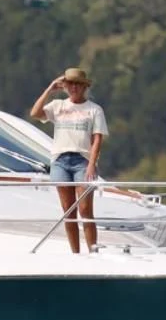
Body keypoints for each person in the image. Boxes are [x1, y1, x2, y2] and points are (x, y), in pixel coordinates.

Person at [29, 67, 109, 253]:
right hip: (60, 160)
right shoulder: (58, 106)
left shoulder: (94, 110)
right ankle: (75, 253)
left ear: (84, 87)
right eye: (70, 84)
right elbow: (35, 113)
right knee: (68, 211)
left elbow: (97, 139)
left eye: (77, 84)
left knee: (85, 210)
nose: (73, 87)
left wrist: (92, 164)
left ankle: (93, 252)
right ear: (65, 86)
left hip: (82, 160)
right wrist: (50, 88)